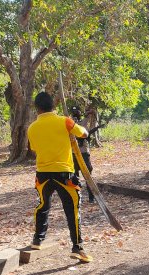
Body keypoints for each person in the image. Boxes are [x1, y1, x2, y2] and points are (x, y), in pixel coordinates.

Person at [27, 92, 92, 263]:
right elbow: (84, 134)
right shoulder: (65, 121)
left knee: (43, 205)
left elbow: (35, 148)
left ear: (37, 108)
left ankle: (37, 240)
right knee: (73, 209)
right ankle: (77, 247)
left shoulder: (32, 127)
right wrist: (74, 127)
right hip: (64, 174)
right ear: (53, 106)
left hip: (42, 174)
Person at [71, 106, 95, 203]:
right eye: (74, 112)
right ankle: (77, 197)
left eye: (77, 111)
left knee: (88, 175)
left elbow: (91, 117)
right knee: (75, 177)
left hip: (84, 152)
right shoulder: (70, 122)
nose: (76, 113)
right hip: (74, 153)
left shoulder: (85, 120)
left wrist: (89, 113)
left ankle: (91, 197)